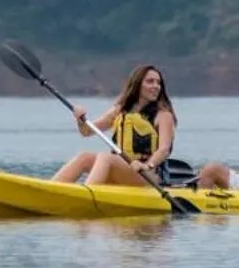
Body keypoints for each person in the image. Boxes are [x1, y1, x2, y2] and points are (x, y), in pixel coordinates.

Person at [49, 64, 177, 186]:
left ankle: (87, 194)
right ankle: (51, 189)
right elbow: (87, 131)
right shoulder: (120, 110)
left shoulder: (163, 115)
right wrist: (80, 120)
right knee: (84, 157)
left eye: (158, 82)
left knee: (106, 158)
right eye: (150, 81)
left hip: (150, 174)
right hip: (126, 169)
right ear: (137, 84)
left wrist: (148, 165)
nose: (156, 86)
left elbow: (164, 150)